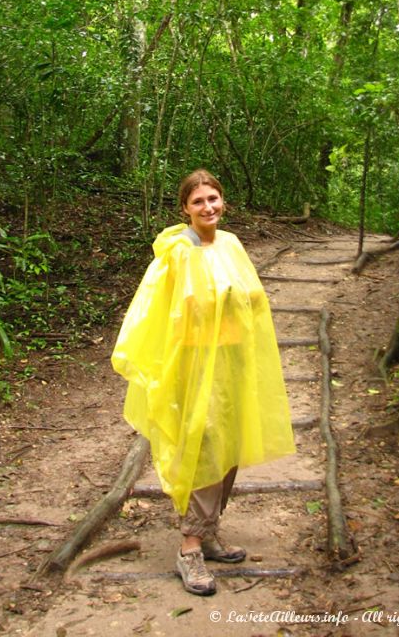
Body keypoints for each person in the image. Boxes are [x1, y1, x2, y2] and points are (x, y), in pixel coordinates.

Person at [111, 169, 295, 595]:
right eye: (198, 202)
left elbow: (252, 301)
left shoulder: (231, 244)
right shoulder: (177, 252)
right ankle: (190, 546)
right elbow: (155, 311)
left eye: (213, 199)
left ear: (223, 202)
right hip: (193, 365)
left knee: (228, 444)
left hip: (232, 361)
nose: (208, 207)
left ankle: (209, 531)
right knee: (200, 446)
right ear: (185, 209)